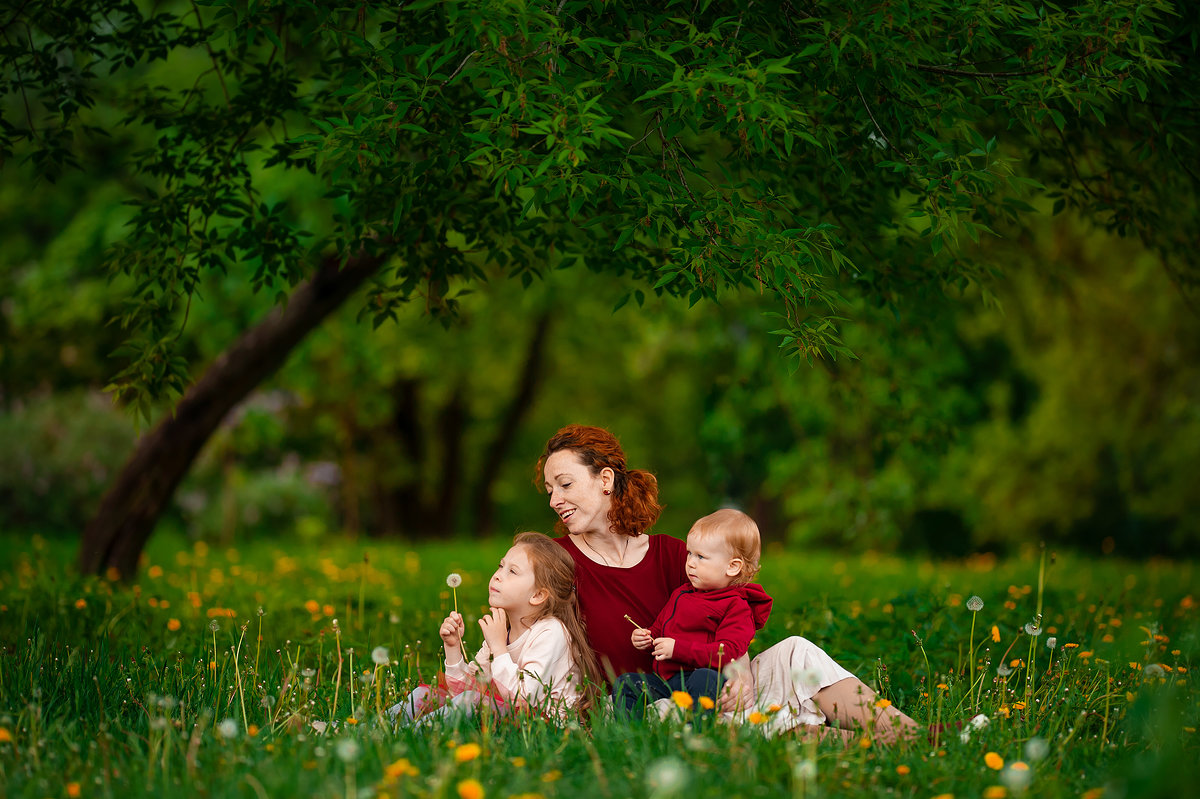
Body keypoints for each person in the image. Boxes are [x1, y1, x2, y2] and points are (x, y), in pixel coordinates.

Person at [539, 424, 920, 744]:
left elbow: (731, 617)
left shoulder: (676, 555)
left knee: (796, 652)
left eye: (565, 484)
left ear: (605, 479)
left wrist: (739, 676)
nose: (555, 499)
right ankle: (907, 746)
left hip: (709, 683)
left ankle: (911, 733)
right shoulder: (554, 561)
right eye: (550, 489)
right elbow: (521, 640)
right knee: (770, 728)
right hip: (645, 709)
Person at [389, 532, 603, 724]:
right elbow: (464, 690)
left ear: (538, 595)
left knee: (470, 702)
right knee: (426, 694)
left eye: (513, 571)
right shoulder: (505, 630)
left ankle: (420, 735)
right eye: (501, 566)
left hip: (545, 725)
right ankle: (376, 730)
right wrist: (453, 648)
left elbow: (524, 698)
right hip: (514, 715)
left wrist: (499, 647)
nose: (498, 574)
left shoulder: (551, 632)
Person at [616, 508, 773, 716]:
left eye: (701, 557)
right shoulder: (682, 594)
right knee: (626, 683)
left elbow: (728, 652)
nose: (690, 562)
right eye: (690, 553)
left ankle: (696, 729)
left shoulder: (736, 606)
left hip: (707, 681)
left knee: (704, 679)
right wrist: (647, 637)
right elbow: (661, 629)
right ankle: (627, 736)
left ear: (732, 567)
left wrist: (677, 649)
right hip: (669, 682)